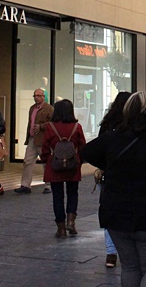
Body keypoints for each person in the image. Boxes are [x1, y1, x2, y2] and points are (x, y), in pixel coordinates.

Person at [81, 92, 146, 287]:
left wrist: (109, 164)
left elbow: (86, 152)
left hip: (116, 213)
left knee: (130, 266)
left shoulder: (112, 138)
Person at [41, 99, 86, 238]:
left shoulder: (50, 127)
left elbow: (44, 147)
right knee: (73, 193)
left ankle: (60, 228)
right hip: (72, 164)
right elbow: (83, 146)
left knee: (57, 197)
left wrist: (46, 159)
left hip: (55, 165)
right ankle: (71, 221)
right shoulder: (76, 127)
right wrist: (79, 160)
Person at [98, 91, 132, 268]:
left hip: (110, 174)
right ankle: (128, 250)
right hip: (130, 175)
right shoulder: (134, 124)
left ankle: (111, 253)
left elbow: (99, 148)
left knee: (109, 211)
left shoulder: (107, 124)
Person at [14, 88, 53, 194]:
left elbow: (52, 123)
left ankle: (49, 185)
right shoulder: (32, 108)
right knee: (28, 161)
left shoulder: (49, 109)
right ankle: (25, 185)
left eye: (38, 96)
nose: (36, 98)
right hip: (32, 139)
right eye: (35, 96)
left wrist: (41, 126)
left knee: (46, 163)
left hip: (43, 140)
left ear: (43, 97)